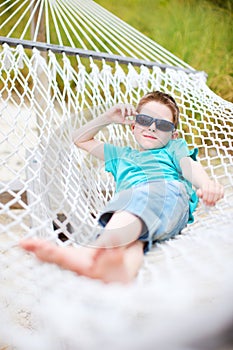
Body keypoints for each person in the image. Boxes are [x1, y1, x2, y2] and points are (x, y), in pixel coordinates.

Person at [20, 91, 224, 284]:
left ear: (173, 134)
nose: (152, 128)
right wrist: (107, 117)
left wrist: (206, 184)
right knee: (135, 240)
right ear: (133, 126)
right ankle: (123, 271)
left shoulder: (173, 148)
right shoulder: (121, 156)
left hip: (168, 195)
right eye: (145, 120)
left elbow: (187, 165)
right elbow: (79, 139)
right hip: (135, 211)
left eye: (162, 125)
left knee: (140, 198)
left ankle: (90, 254)